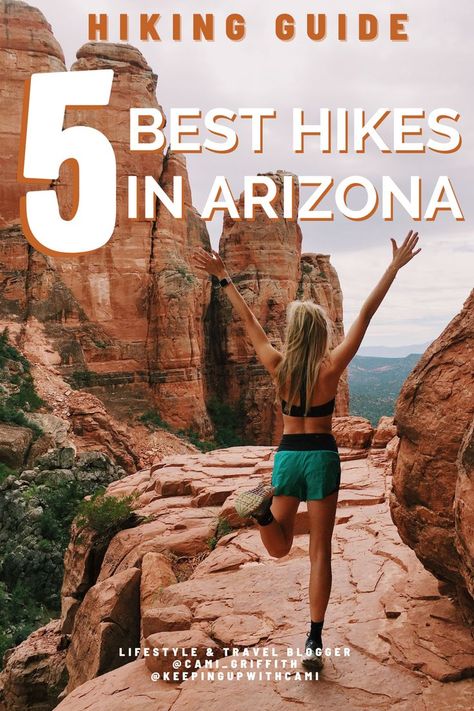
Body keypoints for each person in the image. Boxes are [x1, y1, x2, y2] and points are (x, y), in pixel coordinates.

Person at [193, 230, 421, 671]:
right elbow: (367, 316)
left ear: (294, 333)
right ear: (320, 334)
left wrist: (223, 280)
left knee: (278, 547)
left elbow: (249, 324)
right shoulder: (331, 366)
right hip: (321, 457)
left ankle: (262, 515)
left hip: (288, 456)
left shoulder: (277, 365)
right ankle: (314, 639)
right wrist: (392, 269)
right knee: (320, 549)